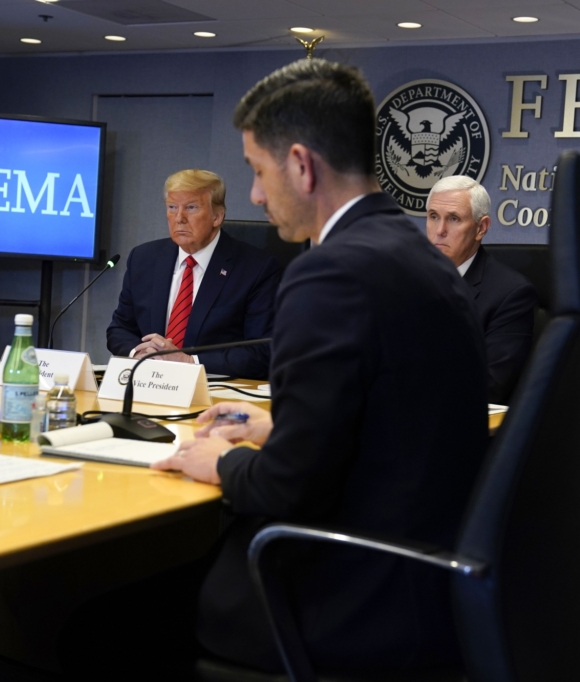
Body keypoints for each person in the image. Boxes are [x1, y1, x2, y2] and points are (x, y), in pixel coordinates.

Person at [152, 59, 489, 675]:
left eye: (257, 170)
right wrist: (272, 430)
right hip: (422, 578)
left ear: (302, 165)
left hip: (343, 592)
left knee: (98, 627)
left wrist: (220, 460)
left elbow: (287, 488)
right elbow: (396, 424)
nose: (253, 193)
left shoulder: (328, 272)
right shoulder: (421, 258)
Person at [106, 169, 281, 379]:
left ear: (217, 216)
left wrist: (190, 362)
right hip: (150, 383)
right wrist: (140, 352)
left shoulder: (256, 268)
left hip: (214, 392)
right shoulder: (143, 259)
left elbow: (261, 351)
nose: (179, 218)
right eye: (172, 207)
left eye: (191, 207)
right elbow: (119, 329)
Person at [426, 176, 537, 404]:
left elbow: (489, 385)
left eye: (454, 218)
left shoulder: (511, 294)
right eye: (433, 216)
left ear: (481, 227)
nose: (440, 230)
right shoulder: (404, 280)